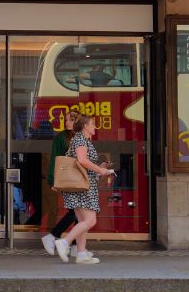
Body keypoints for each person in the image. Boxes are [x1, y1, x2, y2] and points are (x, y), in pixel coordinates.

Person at [53, 113, 114, 265]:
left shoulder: (81, 140)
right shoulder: (81, 139)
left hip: (82, 186)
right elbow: (82, 160)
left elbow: (83, 163)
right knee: (90, 220)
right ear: (85, 126)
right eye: (93, 124)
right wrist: (100, 170)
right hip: (84, 188)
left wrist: (100, 167)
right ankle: (64, 242)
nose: (95, 127)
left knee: (82, 221)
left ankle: (81, 253)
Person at [40, 110, 75, 255]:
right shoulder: (61, 138)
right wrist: (52, 180)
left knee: (78, 212)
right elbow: (55, 159)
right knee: (76, 211)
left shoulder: (80, 136)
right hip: (69, 179)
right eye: (66, 120)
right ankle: (55, 236)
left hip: (77, 180)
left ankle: (75, 247)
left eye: (70, 120)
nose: (67, 122)